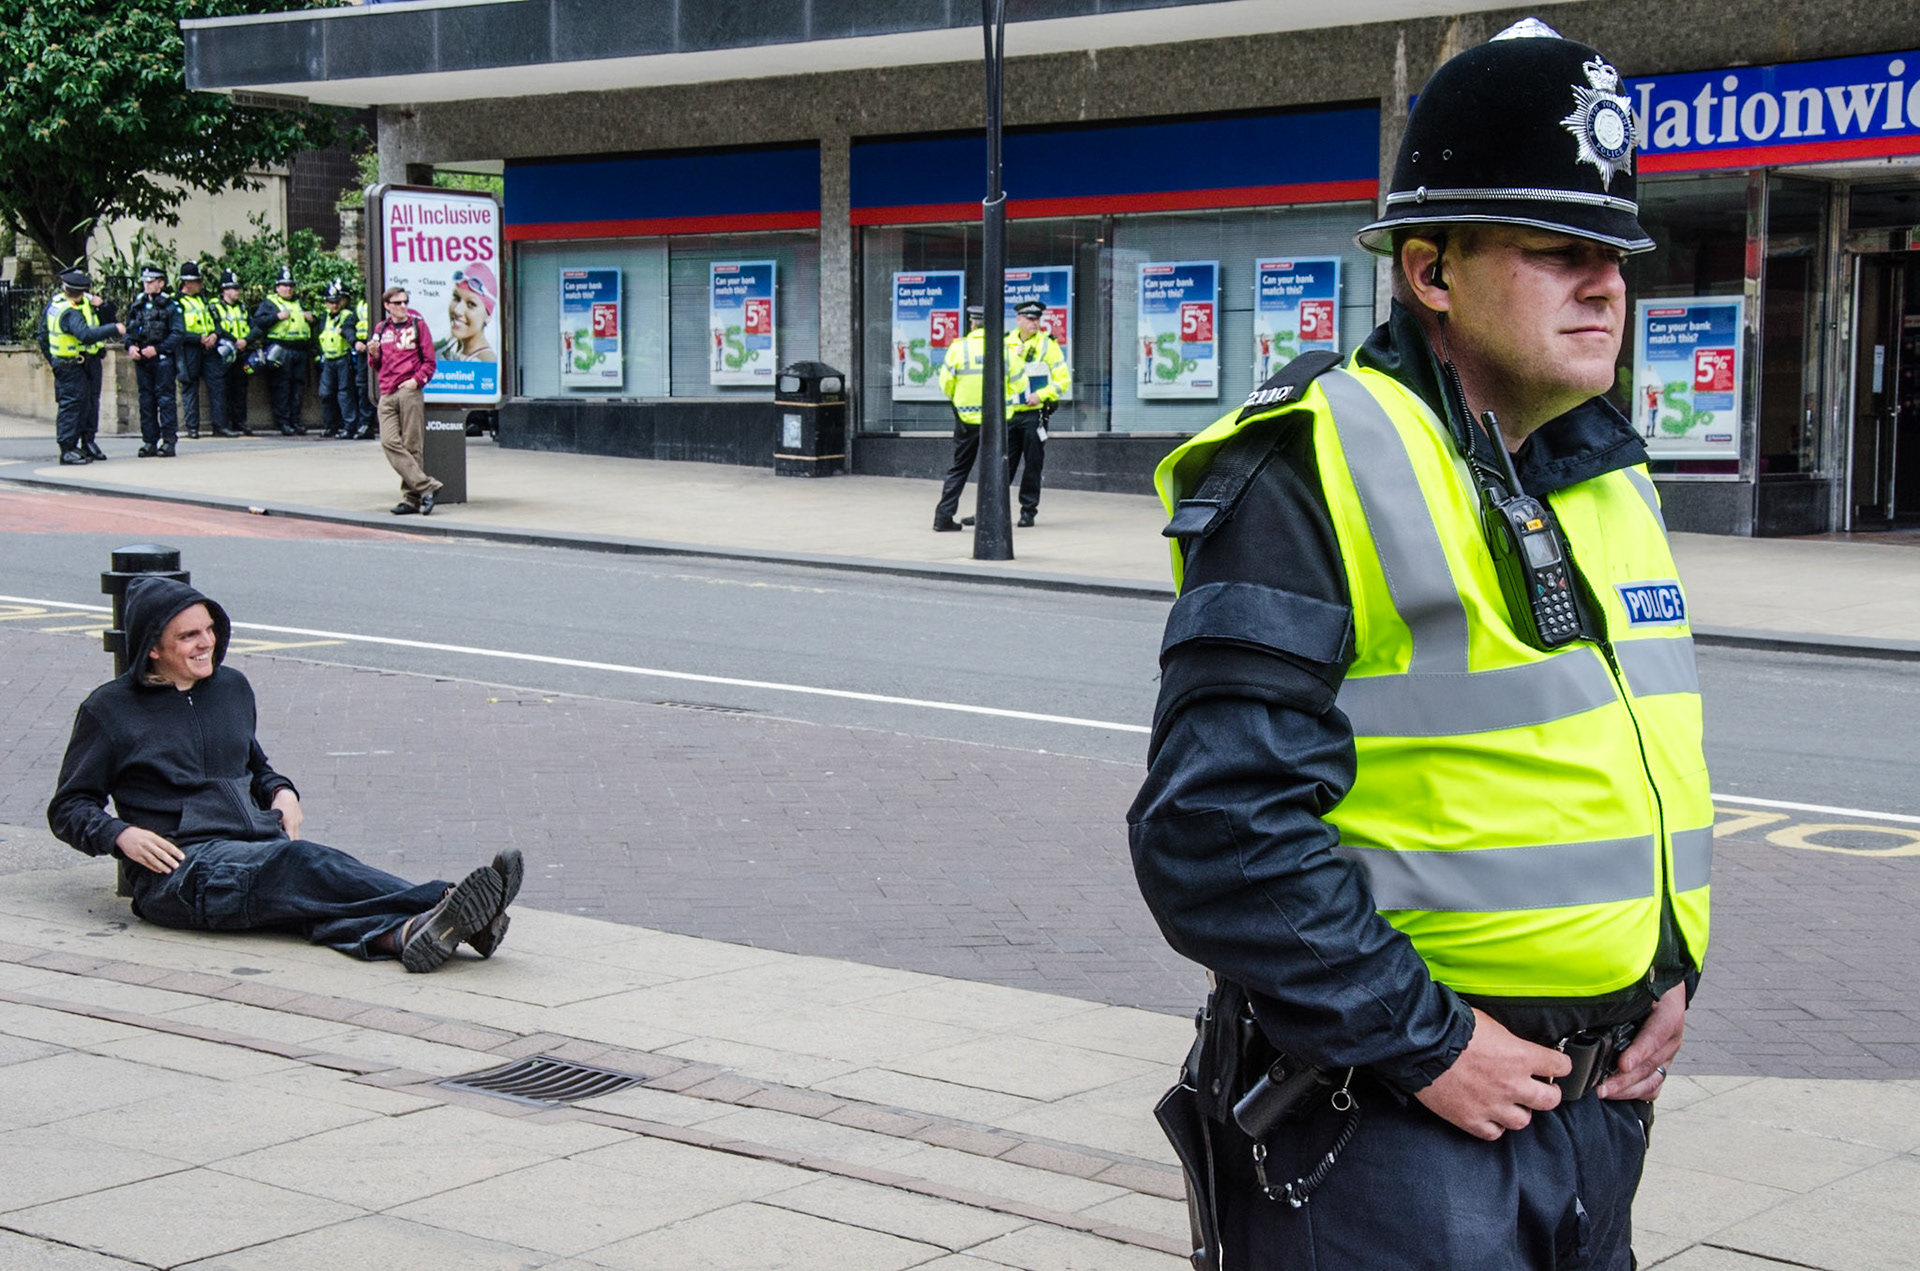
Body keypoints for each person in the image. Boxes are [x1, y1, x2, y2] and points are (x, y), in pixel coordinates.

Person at [1130, 22, 1709, 1271]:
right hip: (1392, 1128)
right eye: (1558, 252)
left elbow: (1612, 769)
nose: (1605, 285)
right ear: (1431, 272)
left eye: (1614, 254)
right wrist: (1427, 1040)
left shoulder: (1605, 475)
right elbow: (1213, 828)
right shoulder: (1314, 462)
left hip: (1592, 1114)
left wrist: (1667, 971)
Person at [48, 576, 523, 971]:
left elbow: (254, 765)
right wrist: (120, 834)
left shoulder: (230, 689)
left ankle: (409, 934)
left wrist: (282, 792)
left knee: (308, 896)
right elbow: (68, 807)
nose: (207, 642)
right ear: (153, 647)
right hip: (179, 875)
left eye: (209, 629)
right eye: (189, 636)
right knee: (304, 865)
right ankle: (447, 900)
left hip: (255, 848)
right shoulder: (110, 711)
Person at [932, 305, 1019, 532]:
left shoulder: (958, 348)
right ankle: (990, 515)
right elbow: (1019, 383)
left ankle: (943, 517)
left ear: (973, 324)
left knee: (960, 467)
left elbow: (945, 383)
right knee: (995, 467)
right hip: (996, 420)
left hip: (966, 418)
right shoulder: (1004, 349)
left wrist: (960, 400)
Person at [366, 285, 442, 516]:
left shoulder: (418, 325)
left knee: (412, 444)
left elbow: (429, 361)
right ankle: (427, 486)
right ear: (387, 306)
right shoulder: (381, 328)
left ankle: (411, 499)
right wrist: (373, 354)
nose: (403, 306)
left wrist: (416, 381)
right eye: (397, 303)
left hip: (409, 390)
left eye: (405, 302)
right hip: (387, 391)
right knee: (389, 441)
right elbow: (375, 365)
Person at [43, 268, 123, 465]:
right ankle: (68, 449)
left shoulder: (88, 302)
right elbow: (83, 334)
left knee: (90, 403)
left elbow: (107, 317)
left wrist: (102, 306)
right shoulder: (64, 309)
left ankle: (87, 442)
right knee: (72, 406)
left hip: (90, 361)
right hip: (70, 364)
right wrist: (55, 360)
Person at [1003, 299, 1070, 528]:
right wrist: (1013, 356)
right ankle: (992, 507)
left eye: (1037, 319)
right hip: (1009, 414)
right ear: (1019, 319)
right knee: (1002, 464)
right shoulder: (1005, 343)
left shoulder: (1048, 345)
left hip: (1034, 415)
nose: (1034, 323)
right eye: (1030, 319)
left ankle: (1028, 511)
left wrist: (1041, 395)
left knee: (1032, 464)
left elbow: (1062, 380)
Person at [124, 265, 180, 458]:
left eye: (151, 281)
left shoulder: (171, 306)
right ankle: (149, 441)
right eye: (145, 282)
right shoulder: (137, 304)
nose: (147, 285)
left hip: (162, 360)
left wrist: (158, 349)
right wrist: (130, 346)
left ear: (160, 283)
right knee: (146, 401)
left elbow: (177, 333)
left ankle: (168, 441)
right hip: (142, 361)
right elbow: (129, 330)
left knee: (165, 400)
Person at [250, 265, 312, 436]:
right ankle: (283, 422)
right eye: (284, 285)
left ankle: (295, 421)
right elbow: (258, 322)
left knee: (297, 388)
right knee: (281, 387)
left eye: (290, 285)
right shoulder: (270, 303)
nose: (288, 289)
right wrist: (276, 317)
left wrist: (311, 318)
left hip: (299, 350)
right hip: (280, 350)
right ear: (277, 287)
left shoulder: (298, 303)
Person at [171, 261, 226, 441]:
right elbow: (175, 330)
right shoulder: (176, 302)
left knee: (217, 385)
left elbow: (217, 322)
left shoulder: (204, 300)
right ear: (187, 283)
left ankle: (220, 426)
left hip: (209, 348)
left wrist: (215, 335)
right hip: (189, 349)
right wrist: (198, 338)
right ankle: (192, 427)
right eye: (197, 281)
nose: (201, 284)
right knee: (190, 386)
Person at [316, 280, 359, 438]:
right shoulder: (324, 317)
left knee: (345, 394)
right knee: (325, 394)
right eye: (330, 302)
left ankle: (349, 426)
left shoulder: (348, 316)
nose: (333, 305)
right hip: (328, 360)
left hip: (343, 358)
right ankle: (330, 426)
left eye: (336, 302)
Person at [213, 271, 254, 437]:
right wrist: (235, 341)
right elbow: (216, 328)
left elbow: (254, 326)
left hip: (242, 354)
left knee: (241, 388)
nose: (237, 291)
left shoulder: (242, 308)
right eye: (233, 288)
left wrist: (246, 340)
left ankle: (240, 422)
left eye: (238, 288)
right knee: (223, 389)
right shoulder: (215, 307)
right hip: (224, 354)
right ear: (224, 290)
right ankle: (223, 423)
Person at [434, 263, 497, 362]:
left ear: (488, 316)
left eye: (471, 304)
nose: (457, 310)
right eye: (456, 298)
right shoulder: (452, 346)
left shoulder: (484, 361)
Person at [349, 290, 376, 439]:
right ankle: (366, 424)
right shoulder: (360, 305)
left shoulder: (389, 302)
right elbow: (348, 326)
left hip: (384, 349)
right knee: (363, 387)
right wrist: (355, 341)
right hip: (363, 350)